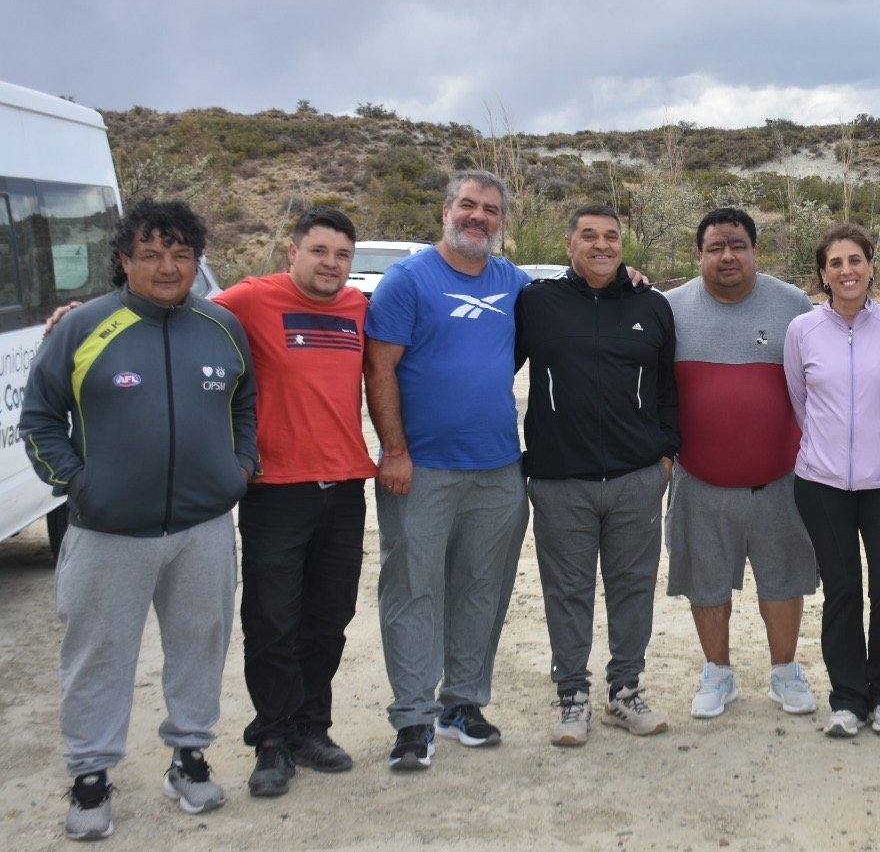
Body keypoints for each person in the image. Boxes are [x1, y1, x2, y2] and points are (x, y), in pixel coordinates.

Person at [22, 199, 257, 839]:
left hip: (204, 526)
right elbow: (40, 417)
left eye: (181, 254)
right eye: (150, 254)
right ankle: (91, 777)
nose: (167, 266)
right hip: (107, 530)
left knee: (200, 644)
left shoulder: (222, 328)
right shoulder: (82, 327)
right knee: (98, 654)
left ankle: (188, 757)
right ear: (124, 260)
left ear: (196, 261)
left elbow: (245, 407)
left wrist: (239, 467)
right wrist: (77, 484)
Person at [364, 170, 531, 770]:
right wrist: (394, 450)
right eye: (468, 205)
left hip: (498, 469)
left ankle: (463, 702)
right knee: (413, 589)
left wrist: (632, 278)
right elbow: (378, 370)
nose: (478, 217)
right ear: (446, 210)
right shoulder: (408, 280)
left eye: (490, 209)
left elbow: (564, 309)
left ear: (500, 220)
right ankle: (412, 717)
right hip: (422, 468)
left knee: (482, 590)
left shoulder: (513, 281)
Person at [213, 206, 376, 796]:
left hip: (345, 486)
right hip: (275, 490)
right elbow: (175, 312)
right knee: (272, 619)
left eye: (342, 255)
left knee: (328, 618)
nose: (331, 264)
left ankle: (313, 727)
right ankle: (273, 739)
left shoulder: (360, 307)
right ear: (293, 252)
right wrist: (83, 315)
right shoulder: (252, 299)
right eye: (319, 251)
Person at [516, 204, 678, 747]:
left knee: (633, 588)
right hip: (561, 480)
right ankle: (572, 697)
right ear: (569, 245)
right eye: (589, 236)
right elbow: (495, 368)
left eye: (611, 237)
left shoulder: (650, 304)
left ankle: (625, 691)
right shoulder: (536, 304)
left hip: (637, 477)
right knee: (567, 590)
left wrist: (666, 456)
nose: (602, 245)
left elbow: (667, 389)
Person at [665, 207, 819, 720]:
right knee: (706, 582)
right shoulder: (669, 309)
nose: (727, 256)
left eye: (737, 245)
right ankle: (718, 674)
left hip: (780, 477)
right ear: (699, 255)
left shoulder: (793, 304)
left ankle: (784, 672)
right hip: (699, 479)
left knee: (783, 578)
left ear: (755, 251)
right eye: (715, 247)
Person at [784, 224, 880, 738]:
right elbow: (801, 401)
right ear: (823, 273)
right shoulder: (803, 331)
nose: (847, 271)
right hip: (821, 484)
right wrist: (827, 450)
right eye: (835, 263)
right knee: (841, 590)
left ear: (871, 266)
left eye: (855, 260)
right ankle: (847, 698)